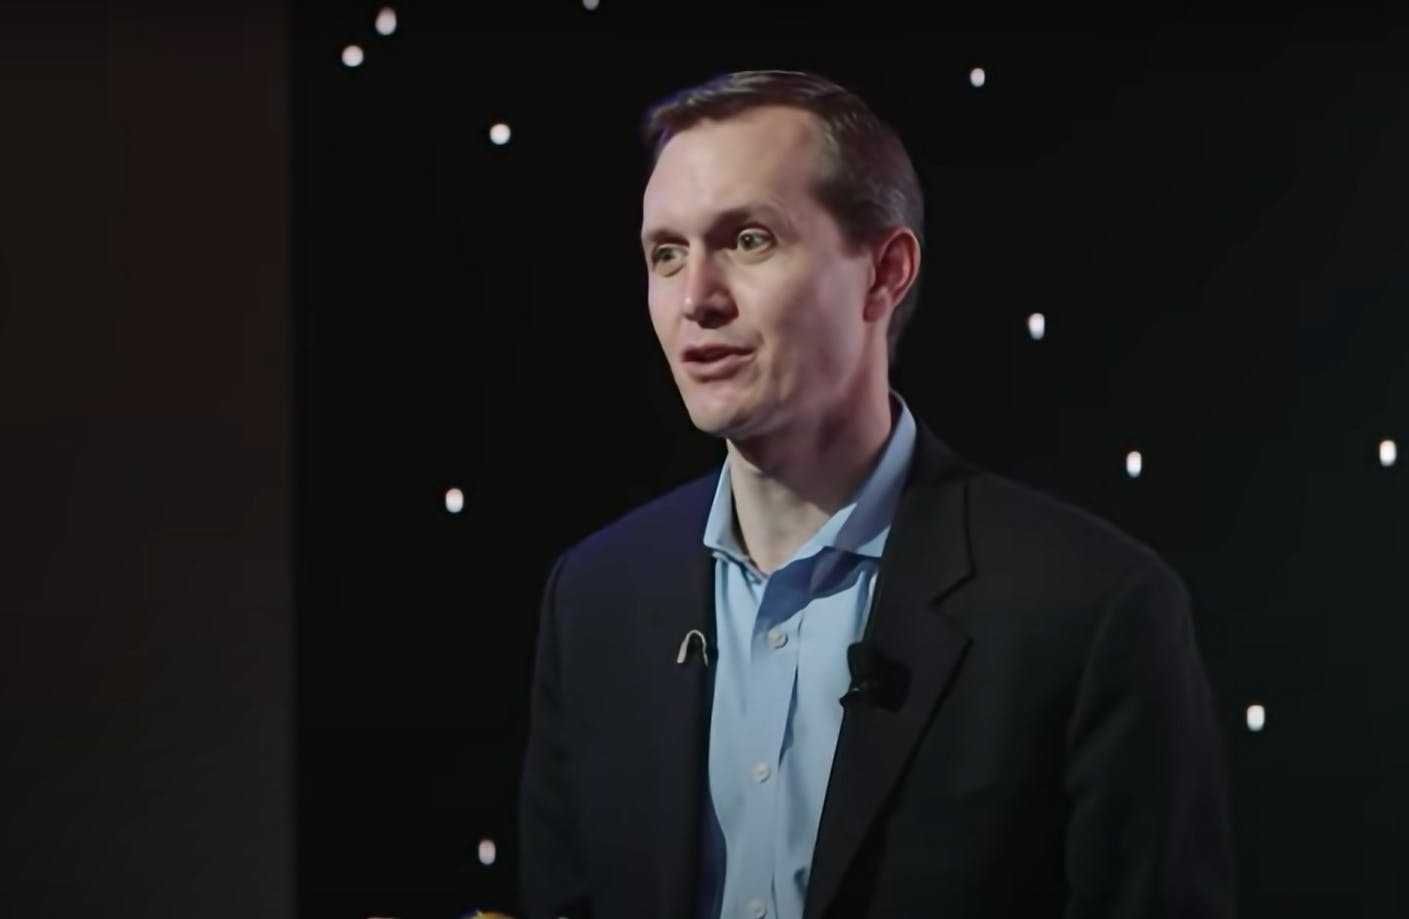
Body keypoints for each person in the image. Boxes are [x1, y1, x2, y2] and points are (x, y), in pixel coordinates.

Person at [517, 69, 1236, 919]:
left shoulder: (1091, 609)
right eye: (665, 253)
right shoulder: (596, 596)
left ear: (884, 272)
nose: (694, 299)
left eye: (748, 239)